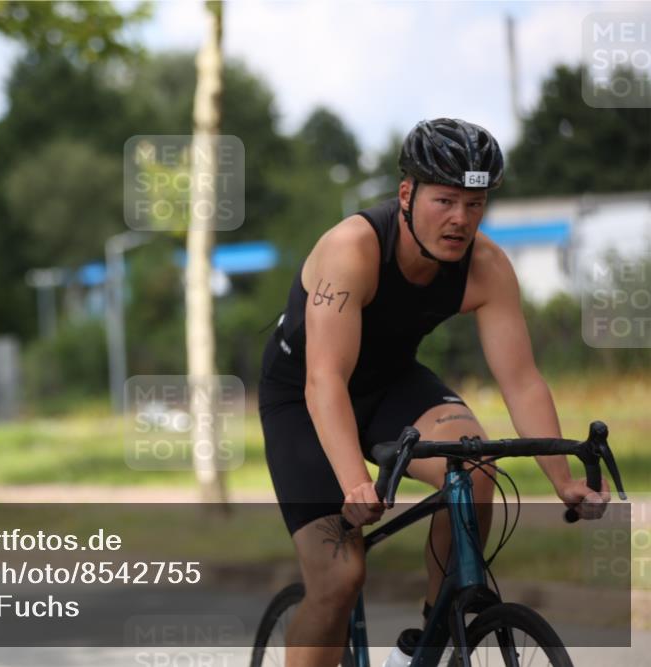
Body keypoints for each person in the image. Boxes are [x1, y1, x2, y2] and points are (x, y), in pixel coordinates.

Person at [257, 118, 611, 667]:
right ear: (406, 193)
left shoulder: (486, 266)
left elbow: (521, 380)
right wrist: (354, 480)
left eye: (475, 204)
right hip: (304, 396)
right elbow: (323, 380)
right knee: (339, 576)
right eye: (445, 200)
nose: (460, 219)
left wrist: (562, 479)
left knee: (476, 466)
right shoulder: (352, 249)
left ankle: (429, 640)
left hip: (392, 382)